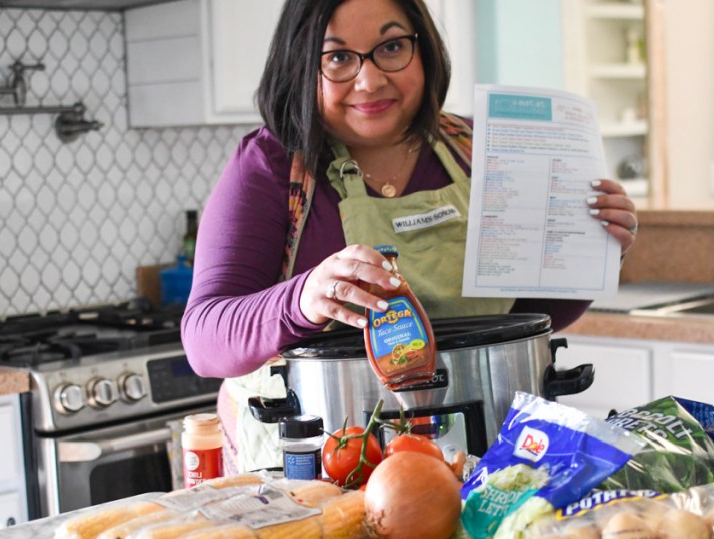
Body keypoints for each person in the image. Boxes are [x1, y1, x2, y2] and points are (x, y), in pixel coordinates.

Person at [181, 0, 639, 474]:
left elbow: (530, 317)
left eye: (392, 47)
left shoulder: (481, 150)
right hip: (321, 475)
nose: (370, 80)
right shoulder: (273, 167)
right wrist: (303, 299)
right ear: (300, 63)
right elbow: (204, 338)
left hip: (490, 466)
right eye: (338, 57)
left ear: (424, 50)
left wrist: (593, 249)